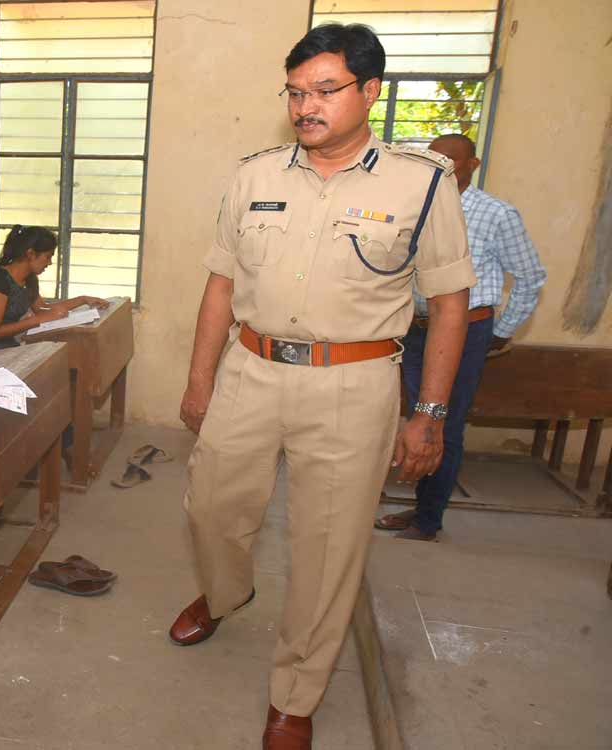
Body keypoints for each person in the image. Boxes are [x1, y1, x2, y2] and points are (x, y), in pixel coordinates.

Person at [170, 24, 475, 749]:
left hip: (353, 382)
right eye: (296, 92)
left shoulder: (423, 182)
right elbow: (221, 285)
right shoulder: (255, 176)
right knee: (210, 507)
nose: (306, 106)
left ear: (370, 91)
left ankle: (295, 696)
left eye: (325, 90)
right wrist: (199, 380)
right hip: (250, 369)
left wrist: (429, 414)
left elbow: (450, 304)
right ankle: (226, 591)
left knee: (328, 547)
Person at [375, 133, 547, 541]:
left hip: (466, 331)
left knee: (443, 424)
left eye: (452, 160)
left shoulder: (496, 214)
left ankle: (428, 520)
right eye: (434, 158)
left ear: (473, 164)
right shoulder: (414, 206)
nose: (443, 167)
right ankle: (420, 506)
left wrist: (500, 332)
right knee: (417, 420)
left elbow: (530, 276)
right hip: (415, 330)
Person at [0, 224, 108, 365]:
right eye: (48, 257)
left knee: (46, 363)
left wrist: (82, 300)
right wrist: (37, 320)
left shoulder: (29, 279)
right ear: (31, 254)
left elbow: (42, 309)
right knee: (38, 367)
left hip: (1, 345)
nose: (49, 263)